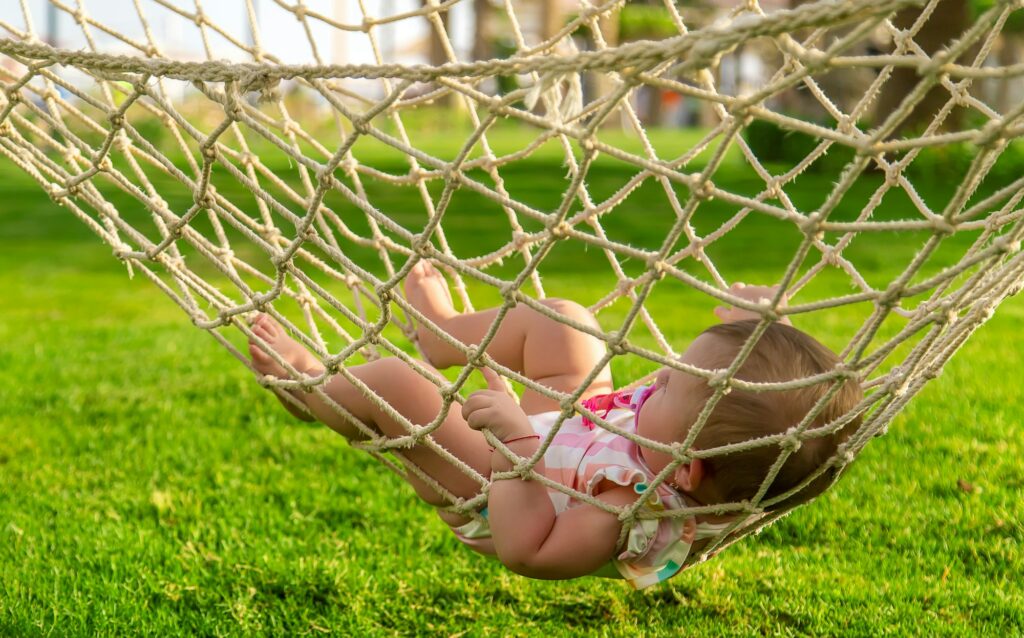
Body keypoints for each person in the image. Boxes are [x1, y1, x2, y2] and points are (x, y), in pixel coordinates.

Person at [247, 262, 861, 589]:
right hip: (577, 426)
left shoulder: (629, 504)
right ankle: (444, 335)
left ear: (684, 468)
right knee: (565, 321)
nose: (663, 372)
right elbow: (779, 398)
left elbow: (528, 551)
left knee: (399, 388)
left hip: (500, 486)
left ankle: (308, 388)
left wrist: (517, 445)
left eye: (671, 383)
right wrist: (759, 330)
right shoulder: (691, 430)